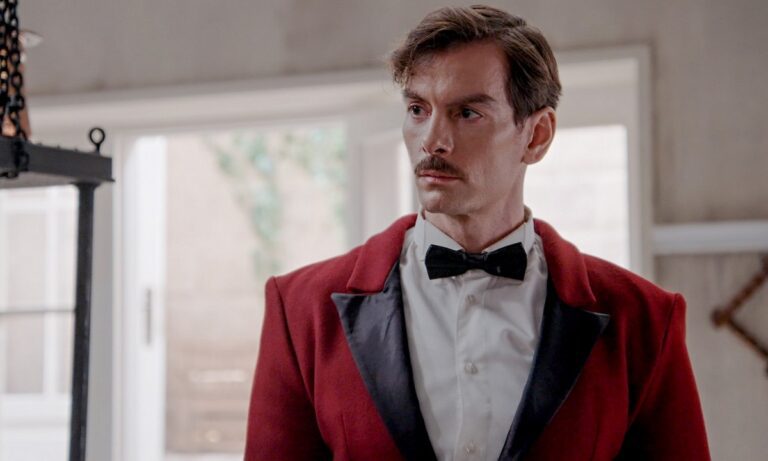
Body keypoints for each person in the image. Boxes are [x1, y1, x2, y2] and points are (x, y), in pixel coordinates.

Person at [244, 5, 710, 460]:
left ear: (537, 136)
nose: (432, 141)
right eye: (417, 109)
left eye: (467, 113)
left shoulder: (644, 319)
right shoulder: (301, 311)